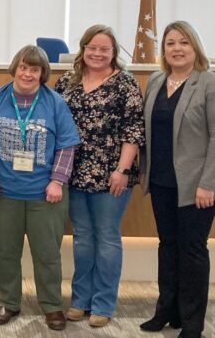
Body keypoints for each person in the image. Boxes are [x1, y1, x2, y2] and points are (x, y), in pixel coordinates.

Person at [0, 45, 79, 331]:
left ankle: (52, 306)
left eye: (34, 69)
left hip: (46, 195)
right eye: (23, 67)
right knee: (5, 252)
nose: (28, 73)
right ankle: (9, 302)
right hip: (4, 193)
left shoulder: (55, 102)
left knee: (47, 255)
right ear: (15, 68)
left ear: (43, 73)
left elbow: (67, 144)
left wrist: (57, 181)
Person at [54, 24, 145, 327]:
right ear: (82, 49)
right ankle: (80, 300)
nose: (97, 53)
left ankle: (103, 303)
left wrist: (122, 169)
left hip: (112, 175)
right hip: (73, 172)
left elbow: (134, 130)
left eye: (104, 49)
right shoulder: (67, 81)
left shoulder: (125, 84)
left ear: (113, 53)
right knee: (82, 238)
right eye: (92, 47)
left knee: (106, 237)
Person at [139, 21, 215, 338]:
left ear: (194, 46)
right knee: (167, 246)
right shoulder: (156, 81)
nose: (177, 48)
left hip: (196, 185)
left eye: (183, 42)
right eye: (170, 43)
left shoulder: (208, 83)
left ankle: (193, 322)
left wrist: (209, 183)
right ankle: (167, 311)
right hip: (161, 181)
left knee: (193, 250)